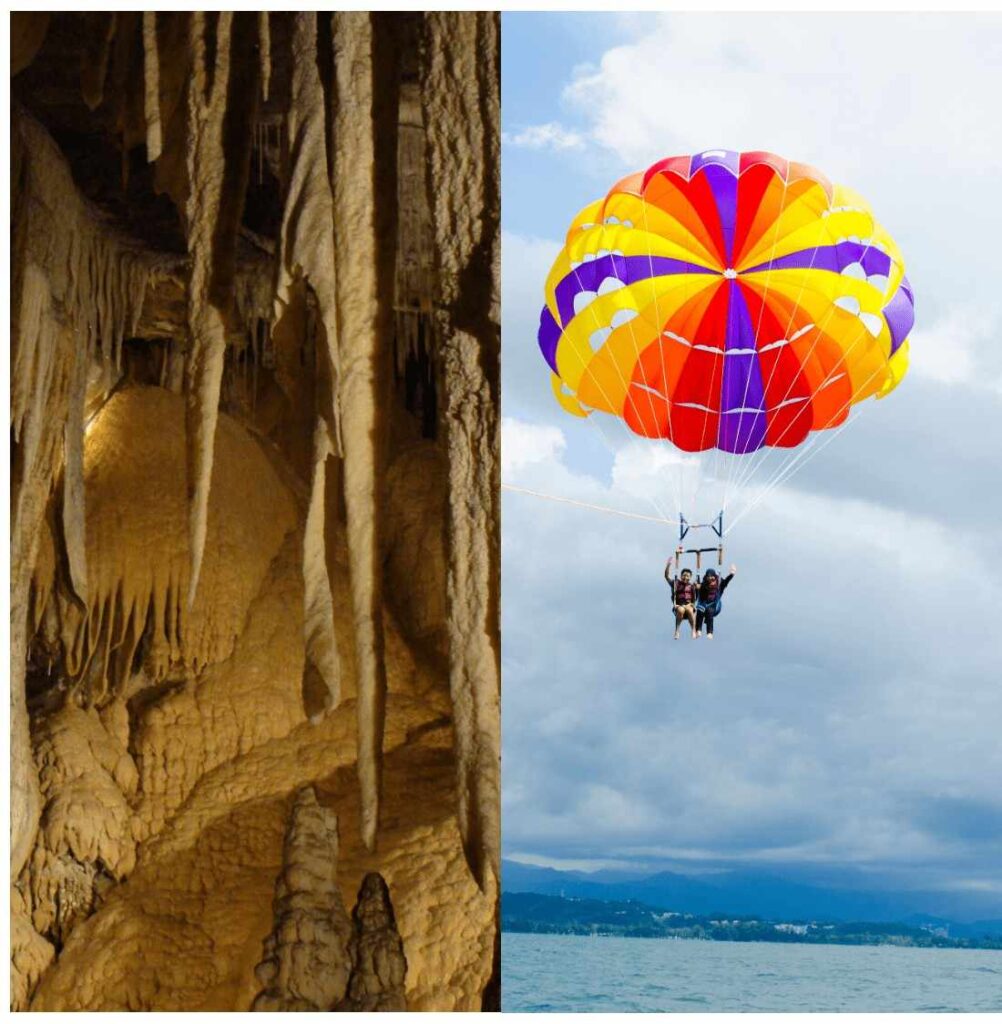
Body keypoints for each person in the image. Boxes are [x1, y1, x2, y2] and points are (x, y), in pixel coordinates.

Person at [695, 564, 737, 639]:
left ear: (715, 576)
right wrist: (696, 587)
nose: (710, 578)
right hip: (703, 604)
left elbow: (727, 581)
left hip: (714, 606)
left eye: (712, 576)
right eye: (708, 577)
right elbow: (698, 592)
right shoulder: (703, 584)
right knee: (700, 610)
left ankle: (710, 632)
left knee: (709, 611)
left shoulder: (719, 583)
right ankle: (698, 629)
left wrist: (731, 574)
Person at [664, 546, 697, 640]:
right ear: (681, 576)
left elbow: (695, 598)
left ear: (690, 577)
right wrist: (669, 564)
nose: (685, 577)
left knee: (690, 610)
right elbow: (666, 576)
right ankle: (677, 630)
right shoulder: (676, 583)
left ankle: (693, 630)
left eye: (688, 576)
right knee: (681, 610)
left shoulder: (691, 586)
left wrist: (693, 604)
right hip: (679, 605)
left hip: (689, 605)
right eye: (684, 575)